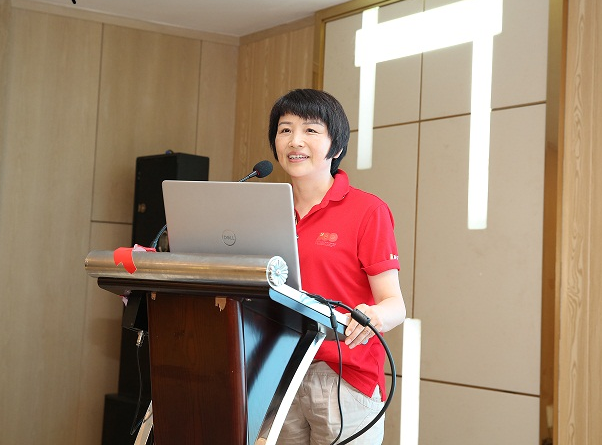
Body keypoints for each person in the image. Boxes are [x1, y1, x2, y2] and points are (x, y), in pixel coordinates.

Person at [268, 89, 406, 444]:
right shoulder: (266, 210)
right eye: (285, 130)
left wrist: (372, 317)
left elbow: (395, 305)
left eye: (310, 130)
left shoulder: (368, 210)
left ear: (337, 146)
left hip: (344, 376)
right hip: (277, 373)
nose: (295, 141)